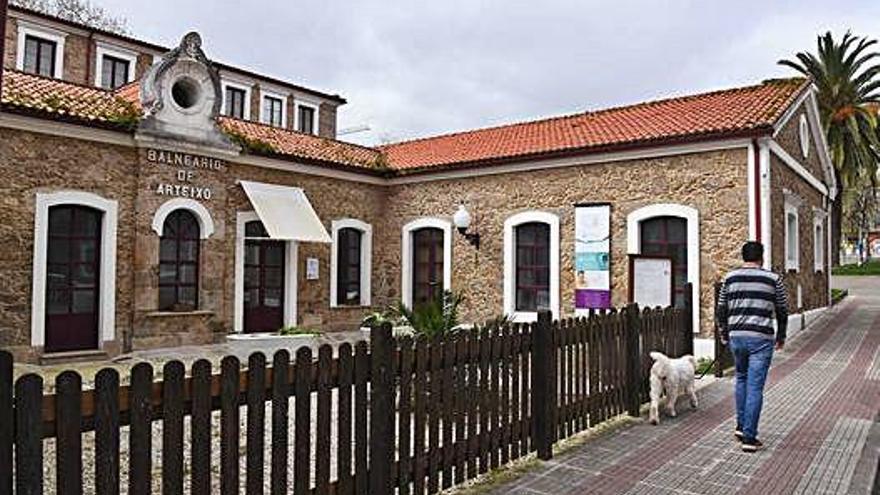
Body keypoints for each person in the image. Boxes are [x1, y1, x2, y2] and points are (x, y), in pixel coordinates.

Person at [715, 241, 788, 452]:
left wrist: (724, 334)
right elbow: (782, 310)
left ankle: (740, 426)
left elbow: (721, 310)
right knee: (755, 387)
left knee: (741, 379)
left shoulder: (730, 278)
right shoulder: (773, 279)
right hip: (761, 339)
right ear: (761, 257)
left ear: (743, 256)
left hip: (737, 336)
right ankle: (749, 437)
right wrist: (781, 336)